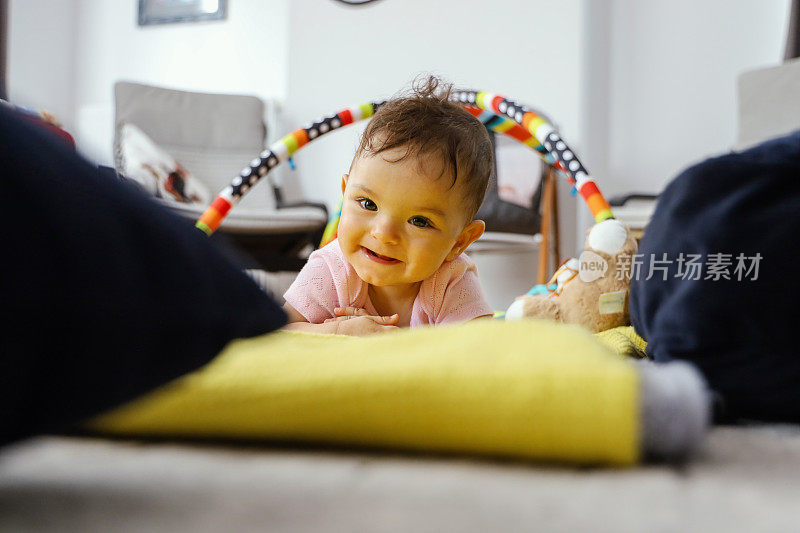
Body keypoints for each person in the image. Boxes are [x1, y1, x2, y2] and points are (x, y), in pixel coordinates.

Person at [283, 77, 494, 336]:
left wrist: (397, 344)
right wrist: (338, 331)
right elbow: (277, 333)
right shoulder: (331, 271)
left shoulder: (450, 281)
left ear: (459, 242)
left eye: (419, 221)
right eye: (368, 204)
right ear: (345, 193)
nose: (383, 233)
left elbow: (479, 350)